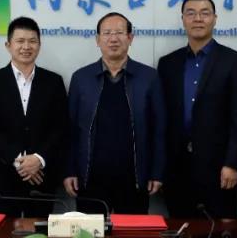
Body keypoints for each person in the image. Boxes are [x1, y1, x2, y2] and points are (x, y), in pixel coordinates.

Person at [64, 12, 166, 214]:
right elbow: (70, 130)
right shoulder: (81, 78)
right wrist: (69, 170)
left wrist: (157, 172)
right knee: (89, 233)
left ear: (130, 38)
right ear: (97, 39)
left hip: (135, 177)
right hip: (90, 177)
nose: (113, 38)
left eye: (119, 32)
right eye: (107, 33)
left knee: (132, 232)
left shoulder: (149, 77)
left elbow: (159, 129)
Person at [157, 0, 237, 219]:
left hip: (218, 168)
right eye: (191, 13)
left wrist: (232, 163)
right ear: (183, 19)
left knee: (219, 232)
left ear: (215, 18)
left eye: (205, 13)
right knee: (180, 232)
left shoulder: (233, 61)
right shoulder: (168, 64)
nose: (198, 19)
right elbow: (161, 120)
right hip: (177, 169)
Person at [0, 17, 68, 216]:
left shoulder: (53, 81)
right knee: (4, 233)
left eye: (32, 41)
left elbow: (61, 127)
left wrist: (38, 159)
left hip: (42, 176)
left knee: (41, 232)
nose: (26, 46)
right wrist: (19, 160)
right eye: (20, 41)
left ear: (39, 45)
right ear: (8, 45)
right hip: (2, 175)